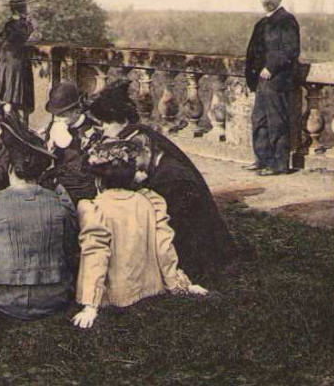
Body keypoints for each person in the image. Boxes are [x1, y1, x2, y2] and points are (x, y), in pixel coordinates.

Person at [84, 83, 237, 280]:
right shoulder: (135, 135)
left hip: (190, 244)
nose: (103, 130)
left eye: (105, 123)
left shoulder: (138, 141)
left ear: (119, 120)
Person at [71, 137, 208, 330]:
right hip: (151, 288)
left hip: (115, 296)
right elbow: (164, 248)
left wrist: (90, 305)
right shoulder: (150, 202)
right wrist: (180, 285)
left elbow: (96, 255)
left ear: (98, 180)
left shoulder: (94, 208)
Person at [0, 130, 77, 321]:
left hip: (1, 297)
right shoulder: (60, 201)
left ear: (10, 169)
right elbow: (69, 246)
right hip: (54, 297)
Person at [243, 0, 301, 176]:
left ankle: (279, 164)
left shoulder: (287, 21)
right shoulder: (262, 23)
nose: (266, 0)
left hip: (277, 79)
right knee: (259, 121)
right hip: (261, 81)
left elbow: (290, 49)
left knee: (277, 121)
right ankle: (262, 160)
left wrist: (271, 67)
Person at [38, 81, 99, 204]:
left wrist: (72, 143)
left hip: (81, 187)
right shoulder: (55, 125)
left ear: (76, 112)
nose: (56, 119)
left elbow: (88, 169)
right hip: (59, 182)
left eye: (61, 115)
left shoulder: (90, 130)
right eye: (55, 115)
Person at [0, 0, 36, 121]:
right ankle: (15, 125)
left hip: (5, 60)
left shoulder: (9, 23)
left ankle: (6, 122)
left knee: (7, 95)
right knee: (15, 97)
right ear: (21, 10)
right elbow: (28, 36)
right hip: (17, 62)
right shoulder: (24, 24)